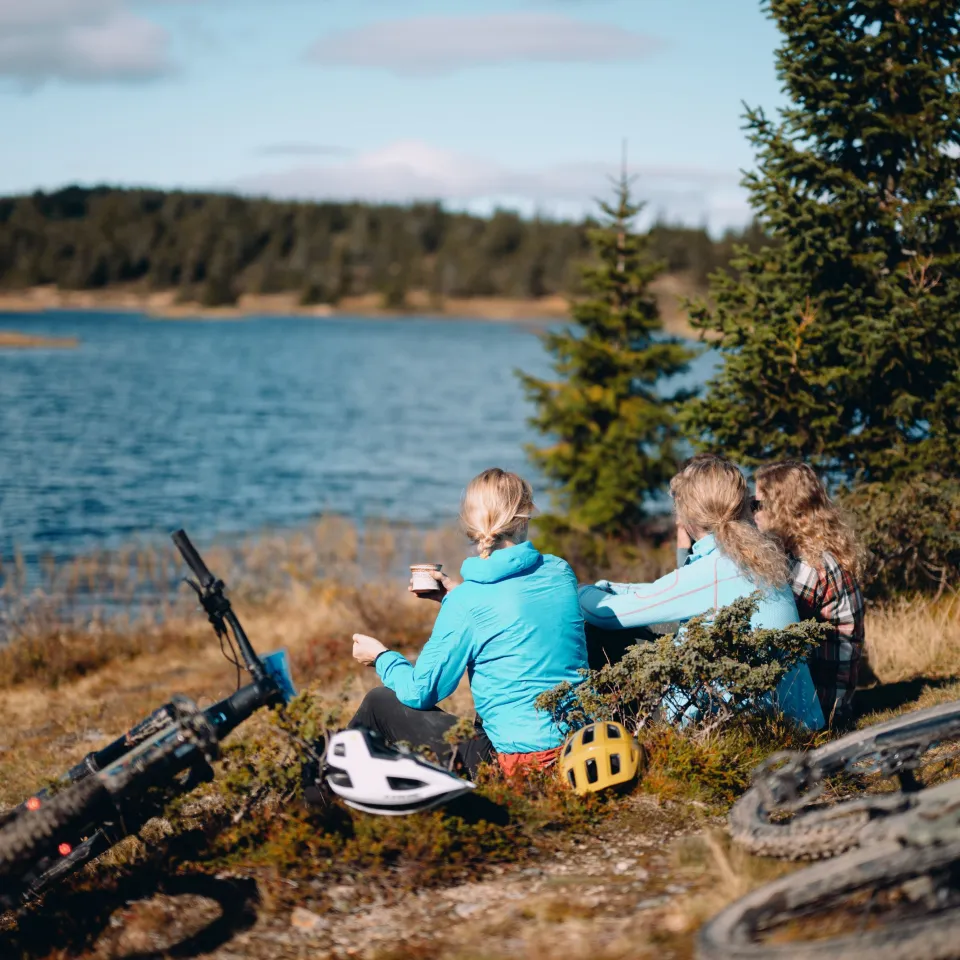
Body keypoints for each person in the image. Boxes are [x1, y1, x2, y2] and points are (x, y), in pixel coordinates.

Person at [349, 468, 589, 777]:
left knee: (378, 702)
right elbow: (516, 615)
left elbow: (422, 692)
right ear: (525, 518)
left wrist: (382, 658)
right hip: (579, 745)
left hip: (517, 763)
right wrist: (456, 597)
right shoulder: (560, 572)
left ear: (470, 525)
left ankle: (319, 804)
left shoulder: (469, 602)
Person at [578, 456, 824, 730]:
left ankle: (621, 738)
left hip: (744, 728)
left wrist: (578, 591)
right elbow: (669, 591)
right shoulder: (754, 556)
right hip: (798, 720)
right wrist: (611, 587)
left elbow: (606, 613)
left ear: (687, 514)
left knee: (602, 633)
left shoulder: (715, 568)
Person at [753, 461, 865, 728]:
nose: (753, 512)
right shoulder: (817, 551)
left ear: (783, 508)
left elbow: (776, 630)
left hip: (824, 707)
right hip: (834, 696)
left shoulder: (810, 565)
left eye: (759, 504)